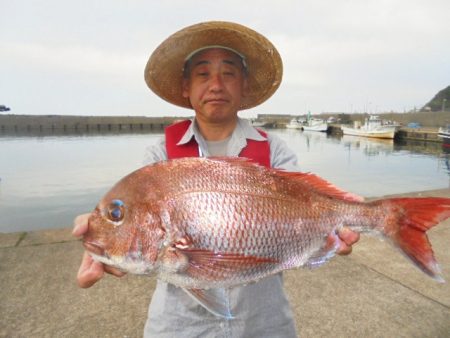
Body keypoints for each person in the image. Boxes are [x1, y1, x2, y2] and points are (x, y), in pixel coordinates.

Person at [73, 21, 360, 337]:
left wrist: (331, 234)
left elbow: (299, 228)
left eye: (228, 73)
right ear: (186, 87)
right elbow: (151, 250)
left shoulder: (275, 151)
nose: (216, 84)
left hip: (263, 322)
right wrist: (110, 243)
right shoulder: (159, 155)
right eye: (202, 74)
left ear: (244, 86)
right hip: (179, 325)